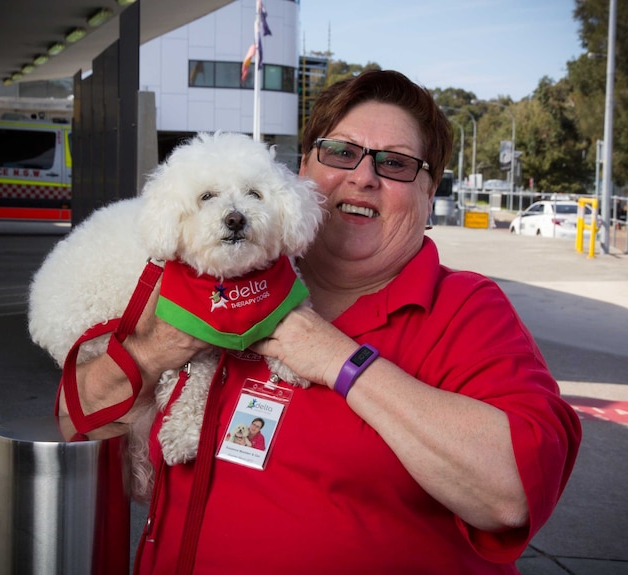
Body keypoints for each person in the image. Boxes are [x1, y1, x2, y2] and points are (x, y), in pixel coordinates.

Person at [59, 69, 581, 574]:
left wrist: (337, 359)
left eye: (396, 163)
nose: (363, 177)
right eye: (341, 152)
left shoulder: (463, 309)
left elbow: (509, 493)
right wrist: (153, 351)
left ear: (429, 191)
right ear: (304, 170)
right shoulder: (200, 279)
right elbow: (72, 422)